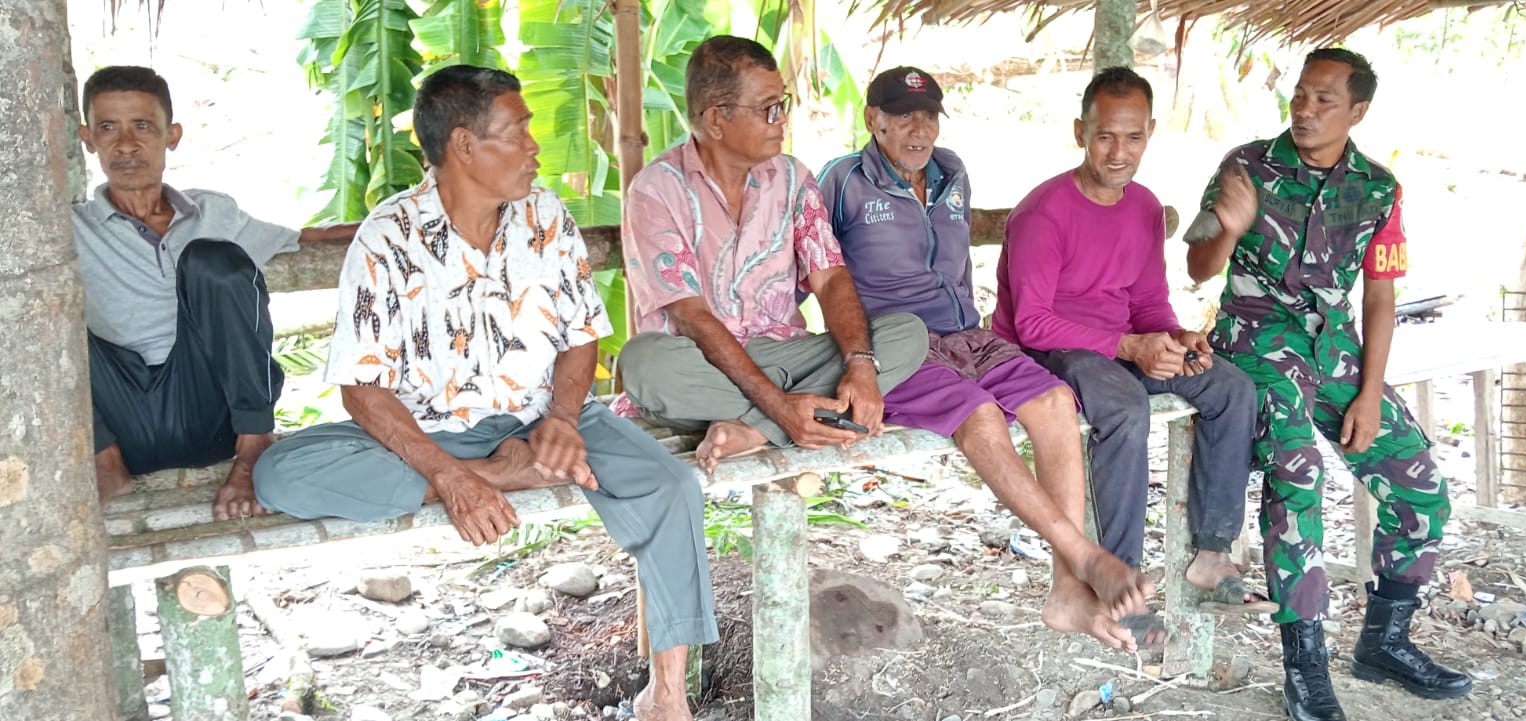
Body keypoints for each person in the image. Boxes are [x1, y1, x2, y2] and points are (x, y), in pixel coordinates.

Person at [250, 65, 716, 721]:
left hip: (546, 420)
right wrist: (457, 476)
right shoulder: (388, 237)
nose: (534, 146)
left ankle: (667, 697)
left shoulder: (544, 215)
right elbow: (362, 390)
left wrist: (562, 420)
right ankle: (498, 474)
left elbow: (580, 336)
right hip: (430, 436)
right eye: (518, 131)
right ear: (465, 145)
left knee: (672, 486)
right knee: (280, 474)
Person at [818, 66, 1156, 651]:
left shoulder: (951, 171)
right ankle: (1082, 556)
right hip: (896, 346)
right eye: (902, 116)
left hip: (967, 336)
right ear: (873, 120)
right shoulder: (843, 181)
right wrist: (847, 362)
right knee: (979, 416)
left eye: (928, 116)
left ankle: (1065, 592)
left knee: (1054, 401)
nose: (918, 129)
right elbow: (814, 270)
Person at [1184, 48, 1470, 721]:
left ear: (1357, 111)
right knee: (1298, 473)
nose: (1306, 111)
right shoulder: (1245, 167)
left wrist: (1370, 391)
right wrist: (1230, 226)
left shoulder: (1378, 188)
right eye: (1301, 96)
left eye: (1324, 101)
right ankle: (1305, 666)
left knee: (1421, 485)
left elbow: (1380, 296)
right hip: (1256, 344)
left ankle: (1384, 642)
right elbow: (1197, 266)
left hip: (1335, 349)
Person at [993, 66, 1270, 616]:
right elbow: (1032, 324)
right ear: (1080, 132)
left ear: (1150, 134)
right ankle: (1118, 578)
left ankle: (1211, 553)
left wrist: (1176, 337)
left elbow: (1147, 302)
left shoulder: (1144, 207)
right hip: (1049, 351)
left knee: (1231, 388)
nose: (1119, 152)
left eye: (1133, 137)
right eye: (1105, 136)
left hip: (1121, 344)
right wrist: (1129, 348)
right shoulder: (1043, 213)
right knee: (1123, 408)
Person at [615, 36, 928, 471]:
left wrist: (860, 365)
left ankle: (754, 429)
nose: (781, 120)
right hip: (701, 363)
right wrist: (779, 405)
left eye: (782, 104)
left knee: (908, 333)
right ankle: (790, 415)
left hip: (785, 354)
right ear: (716, 119)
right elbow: (691, 317)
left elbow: (830, 277)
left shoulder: (793, 178)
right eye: (768, 108)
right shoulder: (656, 190)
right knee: (645, 363)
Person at [74, 65, 359, 520]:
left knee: (213, 259)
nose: (126, 144)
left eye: (142, 126)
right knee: (31, 299)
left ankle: (254, 448)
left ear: (172, 136)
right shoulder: (68, 229)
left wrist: (421, 217)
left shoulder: (212, 212)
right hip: (121, 422)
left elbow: (310, 237)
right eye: (108, 127)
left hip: (211, 416)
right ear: (88, 138)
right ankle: (104, 463)